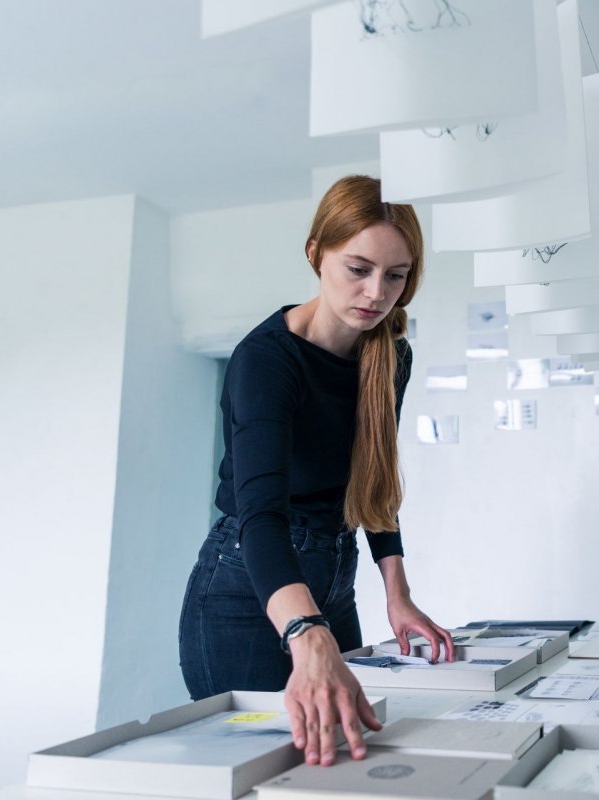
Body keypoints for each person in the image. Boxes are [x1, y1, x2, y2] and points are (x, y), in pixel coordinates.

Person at [178, 175, 454, 767]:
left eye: (396, 275)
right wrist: (307, 630)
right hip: (247, 586)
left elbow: (374, 482)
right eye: (358, 268)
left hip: (333, 575)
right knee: (265, 769)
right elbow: (261, 517)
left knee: (343, 755)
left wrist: (398, 595)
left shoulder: (391, 354)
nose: (377, 293)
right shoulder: (266, 360)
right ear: (315, 254)